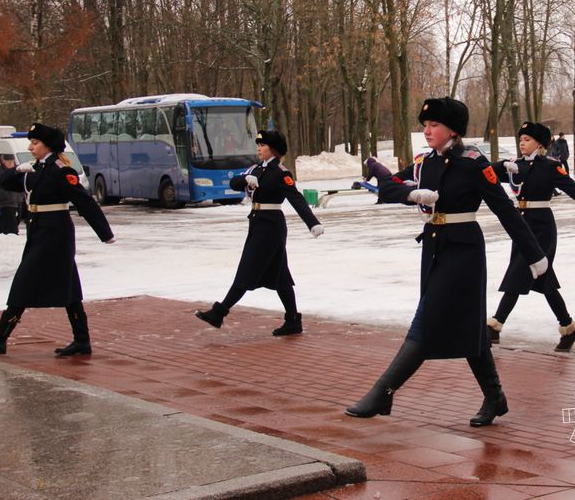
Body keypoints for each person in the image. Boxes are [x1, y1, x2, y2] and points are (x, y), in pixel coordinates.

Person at [345, 97, 547, 427]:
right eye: (424, 125)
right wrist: (406, 192)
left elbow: (505, 210)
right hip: (435, 249)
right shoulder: (426, 162)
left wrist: (534, 254)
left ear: (452, 130)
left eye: (434, 125)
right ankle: (495, 397)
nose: (426, 131)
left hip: (464, 252)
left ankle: (383, 392)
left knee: (427, 322)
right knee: (468, 327)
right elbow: (390, 188)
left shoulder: (473, 162)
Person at [0, 124, 115, 356]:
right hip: (40, 231)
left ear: (48, 146)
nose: (31, 147)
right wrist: (18, 171)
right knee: (69, 287)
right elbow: (6, 183)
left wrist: (105, 233)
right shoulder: (37, 168)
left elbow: (85, 202)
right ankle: (82, 341)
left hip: (55, 234)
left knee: (24, 283)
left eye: (35, 143)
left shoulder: (61, 170)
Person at [487, 122, 575, 352]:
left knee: (520, 271)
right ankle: (569, 328)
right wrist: (501, 165)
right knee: (543, 282)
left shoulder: (549, 167)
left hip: (542, 228)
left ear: (539, 143)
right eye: (520, 140)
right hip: (521, 226)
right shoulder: (514, 165)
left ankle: (494, 327)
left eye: (527, 140)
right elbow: (485, 174)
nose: (522, 144)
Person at [195, 130, 323, 335]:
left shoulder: (281, 173)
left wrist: (312, 223)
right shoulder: (255, 169)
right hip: (257, 223)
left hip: (271, 226)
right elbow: (233, 183)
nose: (259, 148)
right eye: (259, 145)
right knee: (280, 276)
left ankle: (219, 312)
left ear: (273, 149)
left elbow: (296, 199)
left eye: (263, 145)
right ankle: (293, 321)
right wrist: (246, 178)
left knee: (247, 269)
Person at [0, 154, 22, 234]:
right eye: (8, 161)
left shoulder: (17, 170)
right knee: (10, 226)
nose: (10, 163)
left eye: (11, 161)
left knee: (16, 222)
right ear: (3, 161)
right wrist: (6, 197)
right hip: (6, 203)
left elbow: (21, 183)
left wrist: (20, 196)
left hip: (17, 202)